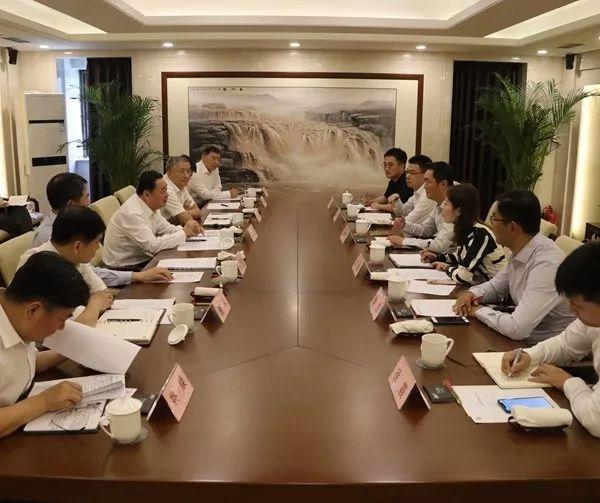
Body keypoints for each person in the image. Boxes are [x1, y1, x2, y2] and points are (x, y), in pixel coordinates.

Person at [501, 243, 600, 437]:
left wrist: (567, 382)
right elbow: (566, 344)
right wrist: (529, 355)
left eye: (576, 304)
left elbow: (596, 421)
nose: (571, 310)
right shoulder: (593, 320)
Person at [454, 190, 575, 343]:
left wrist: (478, 311)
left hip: (550, 348)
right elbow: (496, 288)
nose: (490, 224)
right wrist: (471, 294)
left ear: (512, 227)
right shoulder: (522, 249)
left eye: (494, 219)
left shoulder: (547, 265)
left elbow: (517, 328)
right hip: (525, 341)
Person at [0, 252, 90, 438]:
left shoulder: (15, 317)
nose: (62, 326)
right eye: (61, 319)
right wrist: (43, 402)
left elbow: (25, 363)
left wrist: (67, 351)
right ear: (34, 310)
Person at [33, 173, 172, 285]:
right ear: (71, 205)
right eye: (86, 197)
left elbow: (88, 272)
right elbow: (83, 276)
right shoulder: (52, 235)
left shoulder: (74, 223)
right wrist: (137, 276)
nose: (89, 202)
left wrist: (138, 276)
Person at [17, 207, 113, 327]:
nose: (98, 248)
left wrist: (94, 304)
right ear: (78, 246)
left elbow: (104, 294)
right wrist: (95, 303)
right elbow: (77, 325)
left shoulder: (74, 257)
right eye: (96, 243)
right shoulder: (39, 266)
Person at [103, 171, 202, 269]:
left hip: (143, 258)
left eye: (166, 190)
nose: (167, 195)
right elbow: (153, 246)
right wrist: (183, 232)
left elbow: (165, 228)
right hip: (124, 268)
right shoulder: (132, 213)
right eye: (163, 191)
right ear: (147, 194)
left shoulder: (150, 204)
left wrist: (189, 230)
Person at [421, 183, 507, 285]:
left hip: (496, 291)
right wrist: (438, 257)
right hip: (481, 287)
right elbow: (463, 257)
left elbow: (463, 276)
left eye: (446, 203)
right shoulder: (466, 230)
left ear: (458, 211)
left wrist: (446, 267)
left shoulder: (480, 234)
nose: (442, 207)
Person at [388, 161, 455, 253]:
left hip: (451, 259)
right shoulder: (439, 205)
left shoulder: (454, 207)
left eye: (427, 181)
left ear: (443, 184)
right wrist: (404, 225)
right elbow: (426, 230)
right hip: (440, 255)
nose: (424, 187)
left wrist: (404, 241)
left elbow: (439, 245)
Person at [392, 154, 436, 227]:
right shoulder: (417, 191)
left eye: (412, 172)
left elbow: (408, 221)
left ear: (426, 175)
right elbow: (403, 212)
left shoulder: (428, 194)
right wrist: (397, 199)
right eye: (407, 172)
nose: (407, 176)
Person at [162, 155, 203, 225]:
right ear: (169, 173)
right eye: (182, 171)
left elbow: (198, 212)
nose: (186, 176)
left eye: (188, 171)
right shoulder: (166, 188)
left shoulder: (180, 184)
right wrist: (184, 212)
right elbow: (185, 219)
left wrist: (185, 212)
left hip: (173, 225)